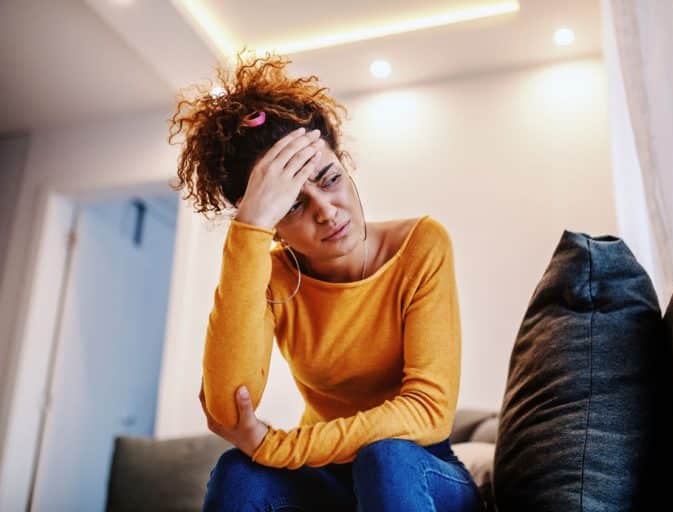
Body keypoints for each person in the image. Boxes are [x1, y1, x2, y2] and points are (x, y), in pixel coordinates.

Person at [168, 51, 483, 512]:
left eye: (330, 178)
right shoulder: (271, 272)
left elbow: (429, 410)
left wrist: (282, 446)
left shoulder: (422, 245)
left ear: (345, 165)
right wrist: (249, 227)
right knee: (238, 473)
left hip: (417, 466)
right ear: (272, 224)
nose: (327, 210)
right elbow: (226, 410)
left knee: (386, 456)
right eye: (291, 204)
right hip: (328, 477)